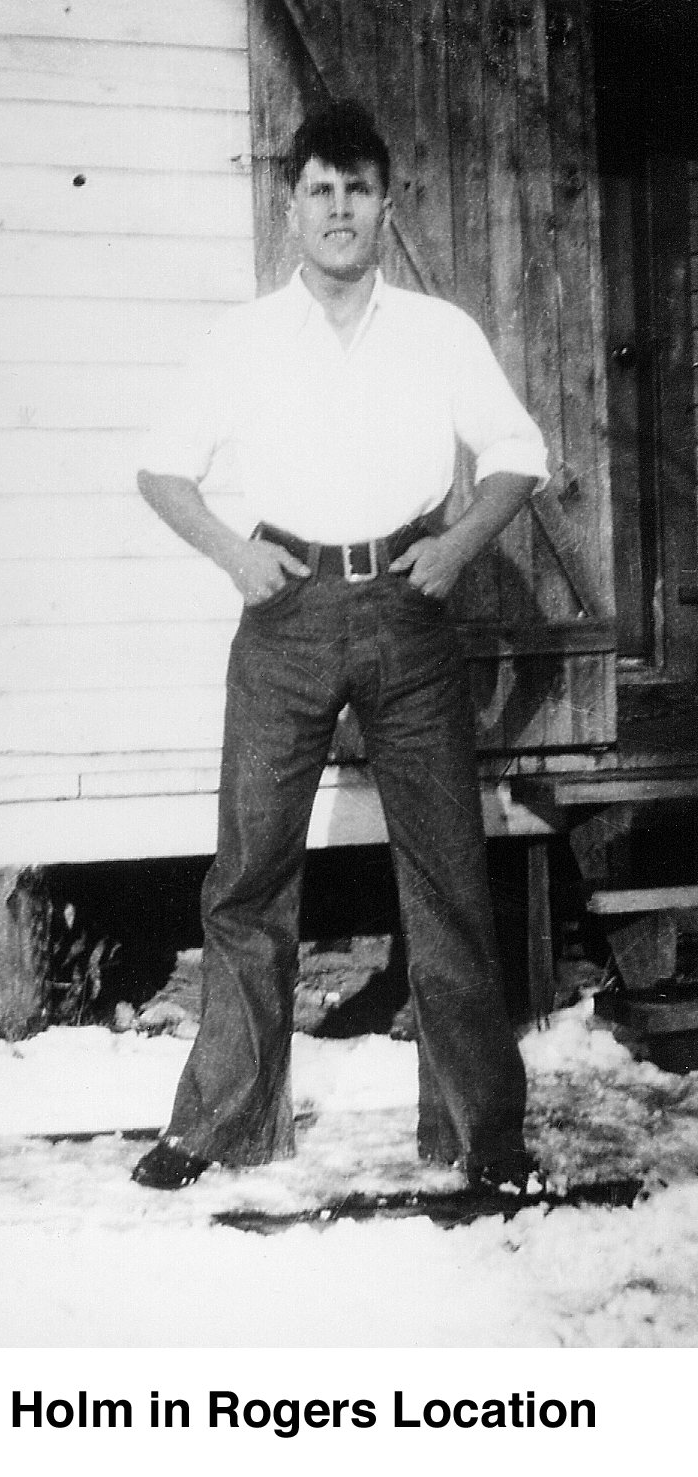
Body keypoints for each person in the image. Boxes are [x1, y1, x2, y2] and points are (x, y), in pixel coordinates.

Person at [132, 101, 549, 1193]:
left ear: (385, 206)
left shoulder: (438, 332)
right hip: (286, 613)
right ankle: (219, 1121)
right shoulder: (243, 339)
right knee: (248, 872)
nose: (338, 209)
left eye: (357, 189)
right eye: (319, 189)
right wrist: (233, 553)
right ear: (291, 207)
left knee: (447, 870)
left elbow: (519, 451)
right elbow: (162, 469)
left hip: (408, 606)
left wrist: (457, 546)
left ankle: (484, 1133)